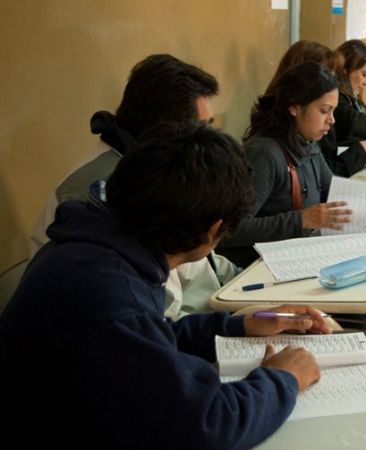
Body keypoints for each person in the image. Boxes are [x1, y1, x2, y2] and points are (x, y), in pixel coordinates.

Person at [0, 123, 330, 449]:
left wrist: (237, 325)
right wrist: (283, 379)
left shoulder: (94, 247)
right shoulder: (112, 298)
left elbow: (147, 339)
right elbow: (205, 427)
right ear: (213, 230)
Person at [28, 54, 238, 318]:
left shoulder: (161, 173)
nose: (208, 141)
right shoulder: (95, 193)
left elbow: (199, 268)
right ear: (166, 130)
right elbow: (151, 316)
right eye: (200, 129)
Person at [218, 62, 352, 266]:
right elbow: (228, 231)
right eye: (325, 110)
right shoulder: (264, 154)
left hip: (297, 256)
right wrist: (301, 220)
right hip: (258, 268)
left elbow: (334, 190)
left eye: (333, 111)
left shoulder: (307, 142)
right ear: (295, 108)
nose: (331, 120)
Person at [268, 40, 366, 177]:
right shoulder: (268, 150)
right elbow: (330, 173)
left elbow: (324, 179)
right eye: (326, 75)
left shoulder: (307, 135)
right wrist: (359, 153)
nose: (333, 83)